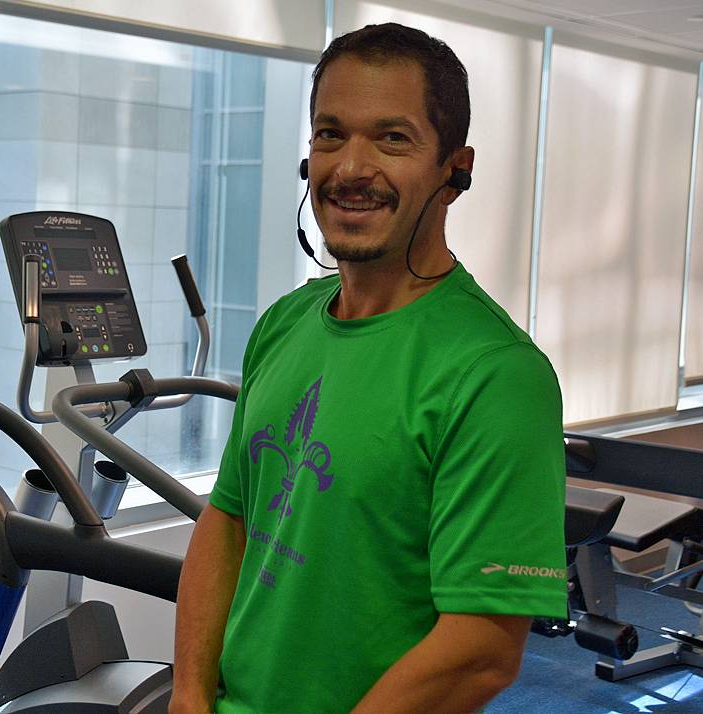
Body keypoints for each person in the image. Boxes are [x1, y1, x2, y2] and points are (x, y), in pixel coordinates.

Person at [170, 23, 567, 714]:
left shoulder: (496, 375)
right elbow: (228, 521)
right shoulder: (286, 323)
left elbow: (481, 650)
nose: (351, 168)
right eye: (330, 134)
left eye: (392, 138)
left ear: (455, 169)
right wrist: (189, 696)